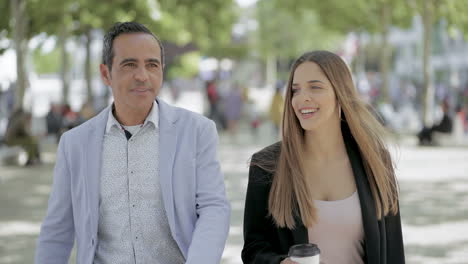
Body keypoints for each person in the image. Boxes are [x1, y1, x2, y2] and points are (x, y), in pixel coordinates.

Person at [35, 22, 230, 264]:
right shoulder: (74, 144)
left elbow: (213, 209)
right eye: (129, 65)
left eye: (152, 65)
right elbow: (57, 230)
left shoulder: (197, 131)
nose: (142, 76)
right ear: (106, 73)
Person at [242, 51, 405, 264]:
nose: (302, 98)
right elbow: (253, 249)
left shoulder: (375, 161)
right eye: (295, 90)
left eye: (315, 87)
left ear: (341, 93)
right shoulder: (266, 166)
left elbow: (393, 251)